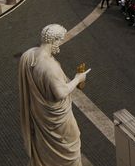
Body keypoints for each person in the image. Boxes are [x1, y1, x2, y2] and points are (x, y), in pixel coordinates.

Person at [18, 24, 89, 166]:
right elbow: (60, 93)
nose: (60, 44)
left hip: (41, 115)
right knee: (71, 150)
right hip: (58, 121)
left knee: (46, 150)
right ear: (53, 40)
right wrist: (77, 79)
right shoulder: (49, 67)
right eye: (60, 40)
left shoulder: (30, 55)